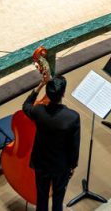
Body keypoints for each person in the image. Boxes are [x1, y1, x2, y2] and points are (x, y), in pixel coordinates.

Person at [21, 76, 81, 211]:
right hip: (61, 166)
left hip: (41, 163)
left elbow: (26, 106)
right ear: (63, 94)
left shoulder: (38, 112)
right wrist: (72, 165)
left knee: (41, 198)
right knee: (57, 200)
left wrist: (39, 86)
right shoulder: (72, 117)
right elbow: (74, 145)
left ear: (47, 94)